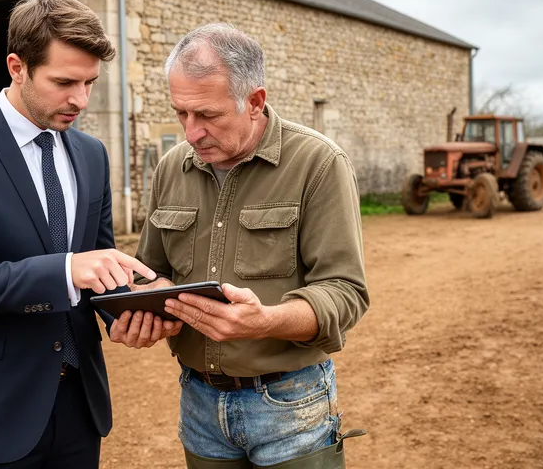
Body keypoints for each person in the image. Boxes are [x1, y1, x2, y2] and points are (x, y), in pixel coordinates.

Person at [0, 0, 180, 469]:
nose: (82, 99)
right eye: (65, 82)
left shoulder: (91, 153)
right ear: (17, 67)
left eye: (91, 82)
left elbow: (98, 268)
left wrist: (139, 307)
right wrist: (67, 270)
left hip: (79, 409)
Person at [132, 23, 370, 468]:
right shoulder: (170, 169)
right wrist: (143, 306)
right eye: (181, 113)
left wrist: (266, 321)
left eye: (207, 115)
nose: (191, 132)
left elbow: (345, 292)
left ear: (255, 102)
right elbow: (149, 270)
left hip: (290, 402)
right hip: (198, 401)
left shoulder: (318, 163)